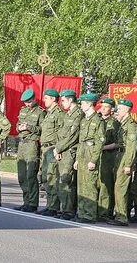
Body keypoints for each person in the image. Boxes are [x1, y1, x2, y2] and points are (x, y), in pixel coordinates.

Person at [73, 93, 105, 223]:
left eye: (83, 103)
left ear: (89, 104)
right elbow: (81, 141)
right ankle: (82, 212)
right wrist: (77, 159)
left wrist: (94, 160)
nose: (81, 105)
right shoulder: (84, 120)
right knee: (81, 184)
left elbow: (100, 142)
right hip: (82, 153)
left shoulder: (97, 121)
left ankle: (90, 215)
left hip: (91, 153)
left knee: (90, 185)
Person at [107, 99, 137, 226]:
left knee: (121, 188)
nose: (117, 111)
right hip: (119, 155)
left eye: (119, 108)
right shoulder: (123, 124)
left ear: (126, 109)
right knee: (118, 187)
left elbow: (132, 146)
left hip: (125, 157)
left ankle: (122, 217)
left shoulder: (131, 125)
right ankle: (119, 214)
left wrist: (128, 164)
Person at [53, 89, 83, 220]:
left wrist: (59, 148)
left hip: (70, 151)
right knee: (61, 181)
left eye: (64, 100)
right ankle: (64, 208)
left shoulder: (78, 114)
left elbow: (72, 136)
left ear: (71, 100)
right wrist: (57, 149)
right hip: (62, 151)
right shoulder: (68, 114)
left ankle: (69, 210)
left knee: (66, 181)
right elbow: (60, 133)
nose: (62, 103)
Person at [15, 89, 45, 212]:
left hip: (32, 144)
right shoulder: (23, 110)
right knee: (22, 175)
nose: (27, 104)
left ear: (34, 99)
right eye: (25, 102)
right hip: (22, 143)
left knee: (30, 175)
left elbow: (42, 129)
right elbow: (17, 125)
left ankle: (32, 203)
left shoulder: (40, 112)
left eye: (29, 102)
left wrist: (28, 127)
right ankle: (26, 201)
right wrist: (19, 128)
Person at [37, 89, 63, 217]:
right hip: (45, 148)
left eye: (47, 98)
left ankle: (54, 207)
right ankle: (49, 205)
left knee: (52, 177)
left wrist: (58, 149)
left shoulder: (58, 113)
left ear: (53, 99)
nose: (44, 100)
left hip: (52, 148)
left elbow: (61, 133)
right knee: (46, 178)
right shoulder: (48, 113)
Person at [97, 98, 120, 221]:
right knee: (97, 183)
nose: (103, 109)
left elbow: (118, 143)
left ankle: (105, 212)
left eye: (106, 107)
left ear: (111, 109)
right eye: (102, 106)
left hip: (108, 156)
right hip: (97, 156)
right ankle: (97, 208)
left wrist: (102, 148)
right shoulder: (98, 120)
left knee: (106, 184)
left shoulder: (114, 123)